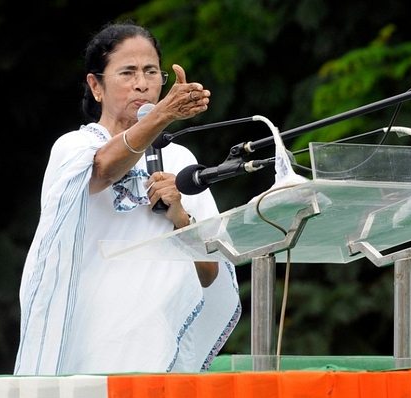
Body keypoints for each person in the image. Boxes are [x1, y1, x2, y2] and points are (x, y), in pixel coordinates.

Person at [13, 21, 241, 375]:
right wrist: (164, 113)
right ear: (96, 85)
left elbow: (210, 274)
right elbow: (104, 169)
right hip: (89, 347)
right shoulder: (75, 148)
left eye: (151, 72)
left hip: (162, 354)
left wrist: (181, 217)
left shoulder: (182, 161)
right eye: (128, 72)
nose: (142, 83)